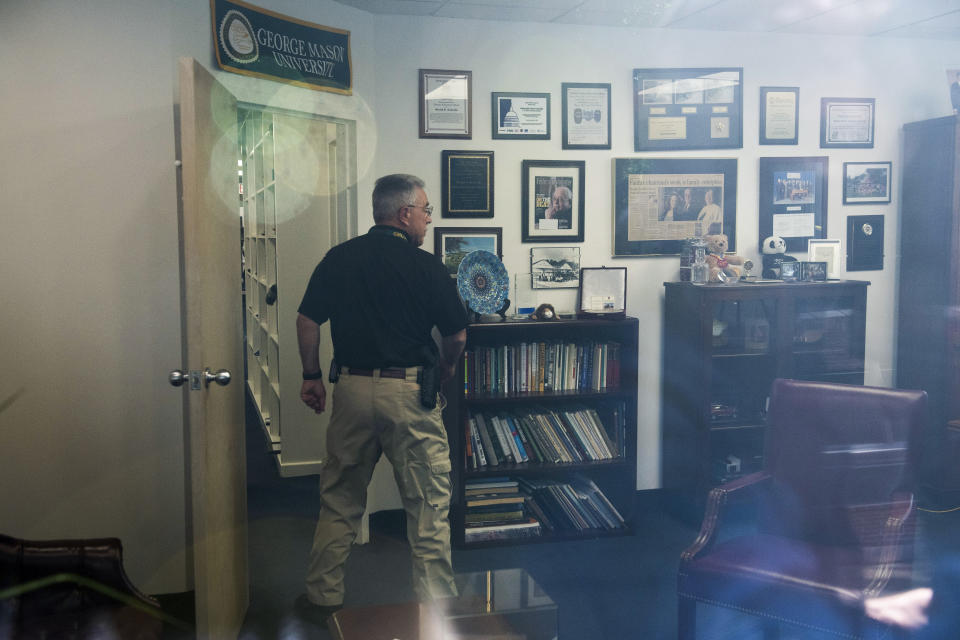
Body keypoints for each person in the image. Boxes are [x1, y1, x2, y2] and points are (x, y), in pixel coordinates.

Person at [294, 174, 468, 626]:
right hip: (409, 393)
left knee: (340, 499)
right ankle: (436, 609)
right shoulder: (427, 267)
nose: (429, 220)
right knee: (428, 506)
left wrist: (311, 375)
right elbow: (456, 334)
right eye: (426, 211)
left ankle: (321, 598)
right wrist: (446, 368)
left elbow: (307, 320)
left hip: (350, 390)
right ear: (404, 213)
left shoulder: (340, 258)